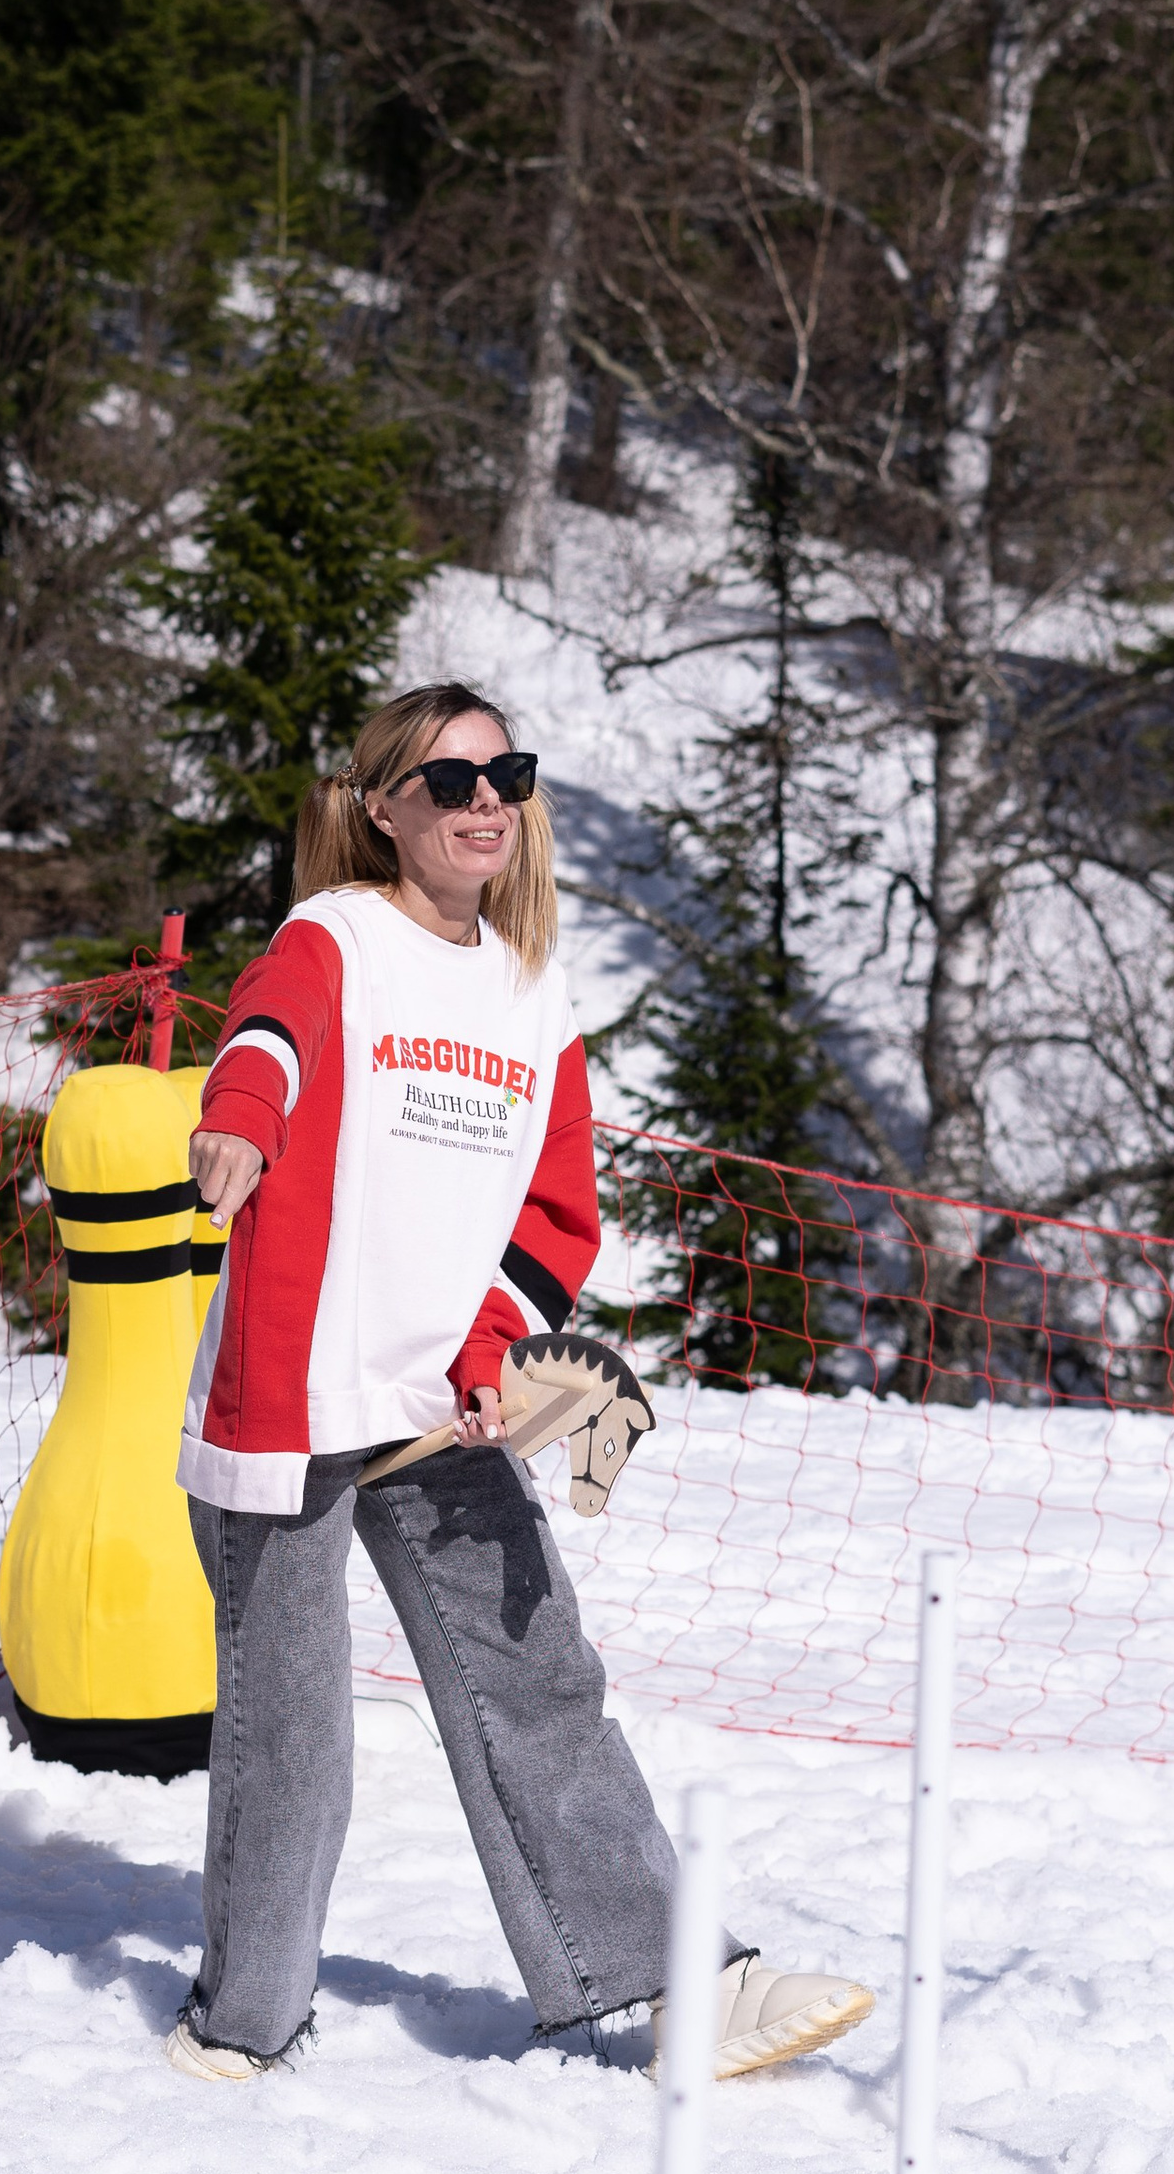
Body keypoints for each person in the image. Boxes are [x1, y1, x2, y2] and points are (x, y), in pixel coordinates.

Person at [167, 680, 872, 2087]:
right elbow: (267, 1043)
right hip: (293, 1394)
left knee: (544, 1680)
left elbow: (559, 1217)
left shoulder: (533, 991)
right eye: (448, 782)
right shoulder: (335, 938)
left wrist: (497, 1350)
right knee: (290, 1730)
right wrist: (237, 1122)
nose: (485, 801)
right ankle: (246, 2016)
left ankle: (676, 1984)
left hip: (444, 1407)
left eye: (507, 776)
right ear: (385, 810)